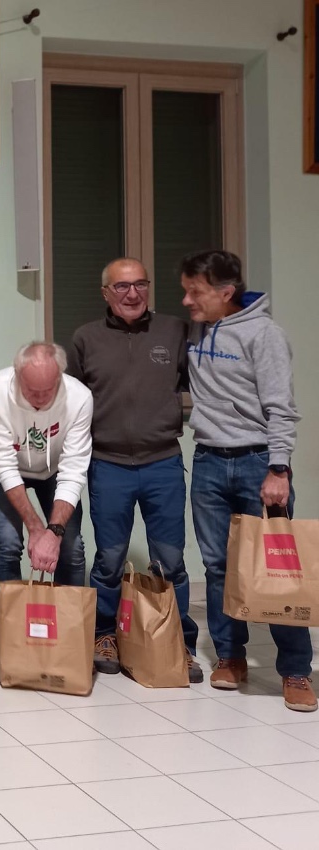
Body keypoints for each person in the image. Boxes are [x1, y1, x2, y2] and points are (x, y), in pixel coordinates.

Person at [181, 249, 315, 711]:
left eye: (195, 292)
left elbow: (282, 407)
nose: (187, 300)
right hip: (208, 461)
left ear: (226, 292)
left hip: (259, 462)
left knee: (279, 570)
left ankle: (296, 670)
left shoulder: (264, 334)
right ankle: (230, 656)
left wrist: (279, 468)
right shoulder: (197, 328)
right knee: (219, 567)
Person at [68, 257, 201, 682]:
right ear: (105, 293)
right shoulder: (85, 338)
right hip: (107, 465)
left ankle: (180, 643)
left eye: (140, 284)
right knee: (109, 559)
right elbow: (71, 400)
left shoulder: (175, 331)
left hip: (163, 462)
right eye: (122, 286)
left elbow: (203, 383)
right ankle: (104, 635)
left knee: (171, 560)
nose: (132, 293)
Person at [0, 342, 91, 586]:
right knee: (8, 543)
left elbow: (73, 472)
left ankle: (68, 611)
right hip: (6, 468)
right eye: (32, 391)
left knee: (71, 547)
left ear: (60, 377)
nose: (40, 399)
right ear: (17, 375)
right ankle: (11, 612)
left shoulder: (80, 398)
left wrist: (53, 533)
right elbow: (4, 465)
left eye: (48, 390)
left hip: (55, 470)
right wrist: (35, 528)